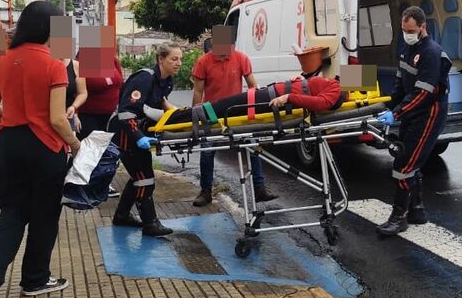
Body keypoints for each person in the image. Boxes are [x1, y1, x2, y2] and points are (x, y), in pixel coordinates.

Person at [0, 1, 80, 298]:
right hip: (45, 149)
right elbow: (58, 118)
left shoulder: (2, 61)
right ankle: (34, 280)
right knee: (44, 217)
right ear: (50, 29)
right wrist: (75, 144)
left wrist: (9, 123)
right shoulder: (53, 64)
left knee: (11, 215)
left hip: (9, 145)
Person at [376, 6, 451, 236]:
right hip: (413, 112)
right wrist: (386, 106)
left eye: (410, 30)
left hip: (429, 113)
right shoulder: (407, 49)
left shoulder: (431, 53)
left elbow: (423, 94)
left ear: (422, 27)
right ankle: (417, 210)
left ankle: (399, 217)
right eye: (403, 30)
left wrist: (396, 114)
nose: (407, 34)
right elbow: (401, 85)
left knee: (404, 165)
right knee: (407, 159)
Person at [190, 37, 277, 207]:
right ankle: (205, 191)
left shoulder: (241, 58)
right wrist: (195, 119)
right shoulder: (203, 62)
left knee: (253, 145)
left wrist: (254, 112)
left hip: (236, 112)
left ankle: (259, 188)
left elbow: (253, 87)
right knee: (207, 151)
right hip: (212, 112)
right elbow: (198, 91)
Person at [108, 42, 182, 237]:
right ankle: (150, 223)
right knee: (145, 179)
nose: (179, 63)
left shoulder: (166, 82)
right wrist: (139, 137)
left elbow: (163, 105)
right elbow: (125, 112)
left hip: (140, 134)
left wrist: (182, 116)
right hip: (126, 135)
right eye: (174, 59)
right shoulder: (144, 79)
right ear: (161, 59)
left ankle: (122, 215)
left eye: (180, 59)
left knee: (138, 177)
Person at [159, 75, 346, 125]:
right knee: (219, 108)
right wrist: (303, 80)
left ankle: (175, 116)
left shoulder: (339, 89)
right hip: (269, 94)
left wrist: (288, 97)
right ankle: (176, 113)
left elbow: (322, 103)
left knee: (219, 109)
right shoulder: (338, 83)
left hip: (269, 99)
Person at [76, 52, 123, 197]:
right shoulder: (83, 60)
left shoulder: (112, 60)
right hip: (88, 114)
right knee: (91, 151)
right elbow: (75, 89)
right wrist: (75, 113)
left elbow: (120, 84)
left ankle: (102, 184)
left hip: (110, 115)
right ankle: (84, 187)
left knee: (108, 151)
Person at [63, 55, 88, 134]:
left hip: (68, 115)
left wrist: (74, 107)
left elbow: (82, 93)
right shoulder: (45, 63)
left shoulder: (76, 66)